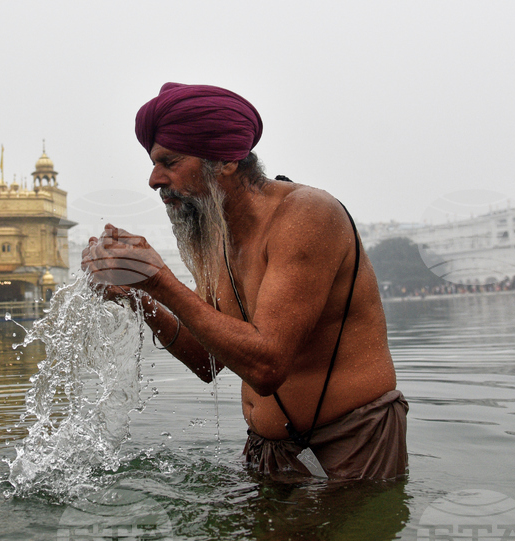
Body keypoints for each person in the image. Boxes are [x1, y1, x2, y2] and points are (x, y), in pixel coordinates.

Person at [81, 82, 407, 480]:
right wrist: (136, 295)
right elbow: (207, 360)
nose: (154, 179)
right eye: (153, 163)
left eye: (170, 161)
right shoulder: (213, 234)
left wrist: (160, 281)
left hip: (352, 440)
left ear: (226, 161)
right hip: (266, 448)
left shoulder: (306, 216)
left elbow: (267, 367)